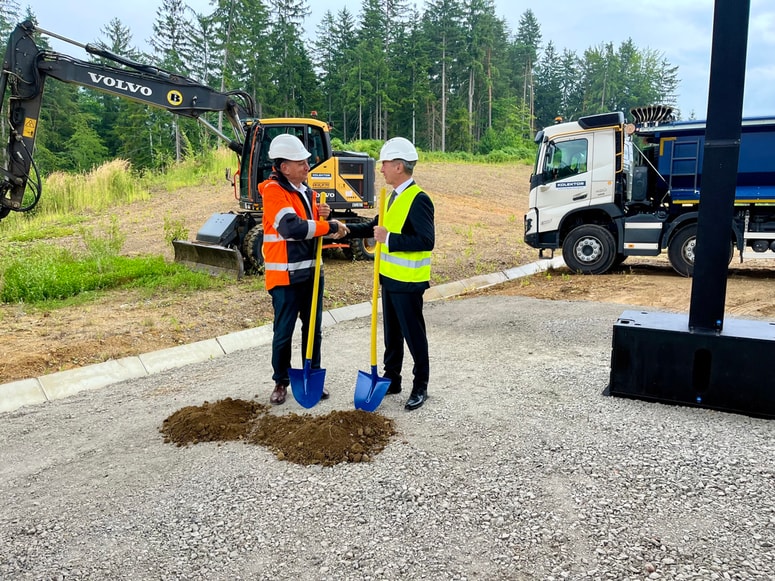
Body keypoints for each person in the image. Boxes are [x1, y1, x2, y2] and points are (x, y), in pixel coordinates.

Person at [346, 137, 435, 411]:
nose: (381, 169)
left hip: (408, 284)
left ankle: (420, 387)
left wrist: (391, 239)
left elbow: (425, 240)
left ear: (398, 166)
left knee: (413, 335)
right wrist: (345, 228)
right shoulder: (391, 198)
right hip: (389, 281)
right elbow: (376, 227)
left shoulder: (418, 200)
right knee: (392, 335)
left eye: (384, 163)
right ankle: (392, 379)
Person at [260, 133, 348, 405]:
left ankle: (311, 375)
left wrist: (324, 217)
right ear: (284, 167)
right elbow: (291, 228)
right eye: (301, 163)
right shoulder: (274, 191)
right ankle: (280, 382)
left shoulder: (308, 193)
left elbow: (312, 230)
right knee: (283, 332)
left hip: (311, 274)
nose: (307, 167)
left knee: (313, 331)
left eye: (306, 162)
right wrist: (329, 226)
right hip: (284, 276)